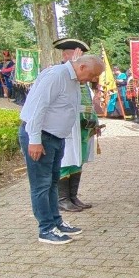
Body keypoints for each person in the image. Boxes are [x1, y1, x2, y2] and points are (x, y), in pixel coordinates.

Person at [19, 54, 105, 244]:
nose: (91, 80)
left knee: (52, 182)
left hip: (56, 137)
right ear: (82, 66)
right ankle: (46, 229)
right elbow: (37, 107)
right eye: (92, 75)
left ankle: (56, 222)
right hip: (41, 136)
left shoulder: (74, 80)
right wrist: (35, 139)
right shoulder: (56, 76)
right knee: (41, 184)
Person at [53, 38, 103, 212]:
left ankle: (73, 196)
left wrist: (95, 122)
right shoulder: (60, 73)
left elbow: (87, 102)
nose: (79, 58)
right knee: (66, 160)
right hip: (68, 126)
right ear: (66, 55)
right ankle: (62, 198)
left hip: (83, 126)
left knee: (78, 160)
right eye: (77, 54)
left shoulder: (81, 78)